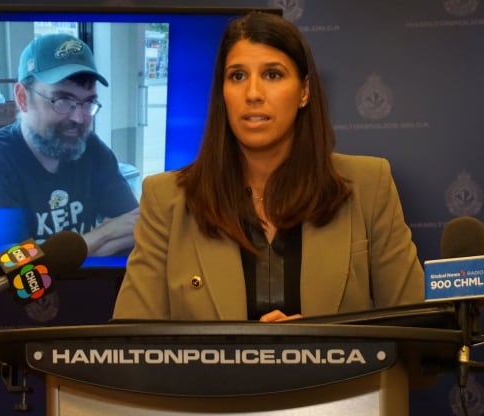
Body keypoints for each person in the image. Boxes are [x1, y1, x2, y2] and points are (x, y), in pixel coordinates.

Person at [112, 11, 424, 322]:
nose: (253, 94)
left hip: (338, 375)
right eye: (237, 76)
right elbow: (131, 343)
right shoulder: (166, 199)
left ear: (304, 91)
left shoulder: (369, 186)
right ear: (223, 92)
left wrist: (316, 347)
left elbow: (417, 333)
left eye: (272, 75)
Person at [0, 33, 140, 256]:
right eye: (62, 101)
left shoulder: (90, 148)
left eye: (88, 103)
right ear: (23, 98)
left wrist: (62, 255)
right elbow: (19, 273)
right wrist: (104, 233)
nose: (79, 118)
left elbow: (138, 229)